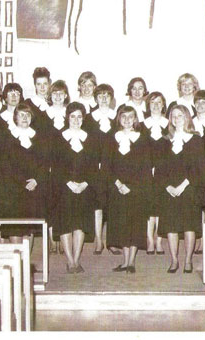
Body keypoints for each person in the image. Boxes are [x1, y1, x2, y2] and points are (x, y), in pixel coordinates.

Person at [154, 105, 204, 274]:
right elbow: (159, 168)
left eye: (180, 115)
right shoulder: (164, 141)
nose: (177, 119)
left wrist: (183, 186)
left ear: (187, 117)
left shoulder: (196, 140)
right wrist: (168, 186)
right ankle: (174, 260)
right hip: (169, 190)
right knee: (171, 226)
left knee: (189, 226)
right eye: (174, 116)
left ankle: (188, 260)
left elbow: (199, 168)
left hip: (189, 188)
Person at [103, 105, 153, 273]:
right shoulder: (111, 139)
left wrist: (131, 186)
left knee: (134, 224)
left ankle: (131, 261)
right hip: (117, 189)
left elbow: (145, 167)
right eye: (123, 117)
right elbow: (107, 166)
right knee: (122, 224)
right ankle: (125, 262)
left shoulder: (142, 140)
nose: (127, 120)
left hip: (136, 189)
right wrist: (118, 184)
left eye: (130, 117)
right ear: (119, 119)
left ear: (135, 119)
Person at [51, 102, 99, 273]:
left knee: (80, 224)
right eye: (73, 116)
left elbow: (94, 166)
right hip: (65, 187)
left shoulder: (90, 139)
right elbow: (55, 166)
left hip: (84, 188)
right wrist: (69, 183)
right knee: (66, 224)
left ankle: (77, 260)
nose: (76, 120)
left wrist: (85, 184)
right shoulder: (59, 138)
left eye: (79, 117)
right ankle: (69, 261)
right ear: (67, 118)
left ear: (83, 118)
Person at [0, 103, 50, 244]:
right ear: (15, 118)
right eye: (21, 115)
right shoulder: (7, 138)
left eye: (27, 115)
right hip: (13, 190)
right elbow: (5, 165)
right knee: (15, 227)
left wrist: (36, 180)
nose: (25, 118)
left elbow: (45, 163)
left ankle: (26, 258)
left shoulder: (39, 138)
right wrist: (22, 182)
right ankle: (17, 257)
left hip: (33, 189)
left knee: (29, 228)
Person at [89, 83, 117, 254]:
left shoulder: (117, 117)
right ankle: (99, 240)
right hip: (96, 168)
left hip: (114, 167)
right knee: (98, 204)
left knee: (113, 205)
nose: (104, 99)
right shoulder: (89, 118)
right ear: (96, 99)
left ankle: (112, 241)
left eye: (107, 95)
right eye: (100, 96)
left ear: (111, 98)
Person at [144, 91, 168, 255]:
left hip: (164, 170)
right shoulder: (142, 125)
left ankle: (159, 239)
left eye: (159, 102)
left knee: (161, 205)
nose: (156, 105)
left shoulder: (169, 125)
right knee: (149, 205)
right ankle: (149, 239)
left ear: (163, 105)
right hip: (146, 170)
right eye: (153, 102)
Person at [26, 66, 52, 132]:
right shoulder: (27, 104)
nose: (42, 87)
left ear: (49, 84)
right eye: (39, 84)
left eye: (45, 84)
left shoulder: (54, 103)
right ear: (35, 85)